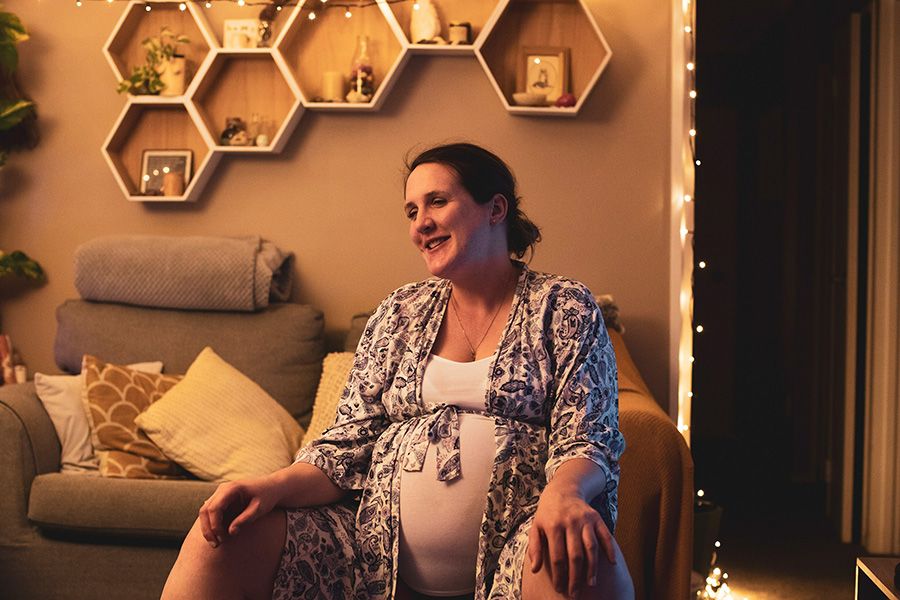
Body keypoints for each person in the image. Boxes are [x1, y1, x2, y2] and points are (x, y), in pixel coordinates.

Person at [161, 142, 633, 600]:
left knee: (580, 557)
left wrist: (564, 494)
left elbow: (587, 435)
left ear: (495, 209)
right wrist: (269, 485)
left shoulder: (562, 307)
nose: (420, 224)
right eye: (411, 211)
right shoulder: (398, 312)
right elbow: (348, 445)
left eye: (437, 202)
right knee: (222, 536)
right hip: (370, 557)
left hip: (516, 552)